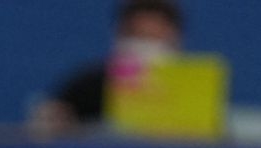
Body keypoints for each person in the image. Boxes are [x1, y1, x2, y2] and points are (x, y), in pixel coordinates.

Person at [31, 0, 184, 134]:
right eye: (137, 36)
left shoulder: (198, 89)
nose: (145, 47)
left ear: (175, 38)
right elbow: (51, 119)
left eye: (153, 38)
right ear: (119, 35)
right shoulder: (90, 84)